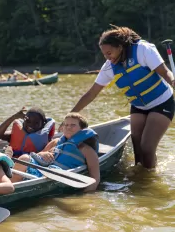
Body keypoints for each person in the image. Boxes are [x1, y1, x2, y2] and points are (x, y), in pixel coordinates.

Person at [71, 25, 175, 169]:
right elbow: (91, 93)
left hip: (162, 102)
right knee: (137, 148)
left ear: (120, 47)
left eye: (109, 53)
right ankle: (139, 179)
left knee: (147, 147)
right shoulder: (109, 67)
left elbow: (165, 72)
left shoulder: (143, 50)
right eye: (104, 54)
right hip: (139, 106)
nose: (107, 58)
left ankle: (149, 178)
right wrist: (71, 114)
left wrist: (173, 81)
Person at [11, 113, 100, 192]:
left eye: (73, 125)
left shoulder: (86, 149)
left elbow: (95, 179)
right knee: (24, 158)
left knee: (50, 171)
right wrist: (42, 154)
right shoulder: (56, 142)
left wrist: (86, 198)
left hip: (58, 177)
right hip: (43, 171)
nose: (68, 127)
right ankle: (11, 188)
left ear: (82, 129)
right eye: (66, 125)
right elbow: (39, 155)